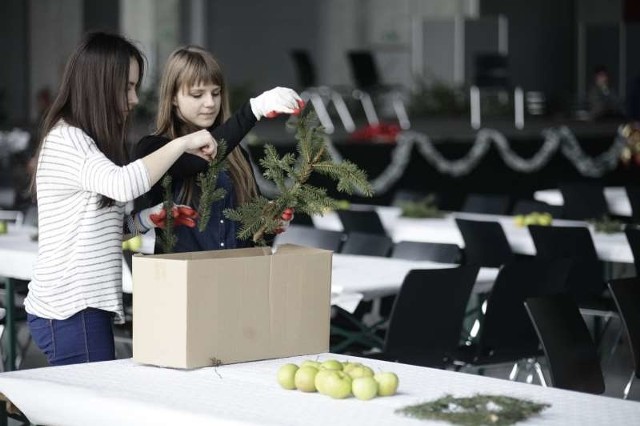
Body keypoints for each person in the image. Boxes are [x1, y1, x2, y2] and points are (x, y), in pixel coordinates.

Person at [26, 32, 217, 366]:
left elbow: (104, 228)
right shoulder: (68, 139)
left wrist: (149, 218)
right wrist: (181, 144)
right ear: (99, 85)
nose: (132, 99)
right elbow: (123, 185)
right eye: (127, 87)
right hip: (72, 309)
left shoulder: (84, 141)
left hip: (78, 310)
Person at [135, 46, 302, 252]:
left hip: (238, 277)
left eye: (216, 93)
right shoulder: (154, 149)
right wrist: (253, 109)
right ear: (173, 98)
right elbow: (196, 159)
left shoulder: (236, 154)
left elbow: (253, 240)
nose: (210, 103)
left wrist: (269, 224)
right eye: (197, 95)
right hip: (182, 279)